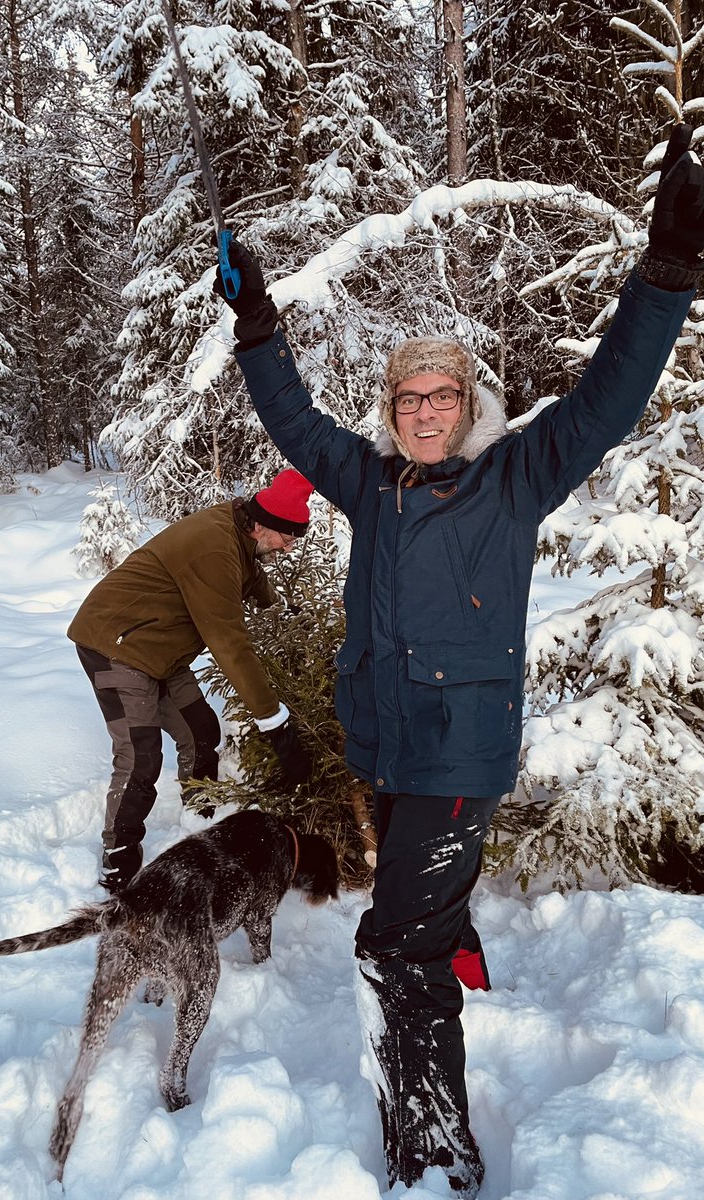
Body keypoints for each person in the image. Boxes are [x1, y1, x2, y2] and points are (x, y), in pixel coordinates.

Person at [214, 125, 704, 1197]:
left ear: (469, 404)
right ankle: (446, 970)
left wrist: (665, 274)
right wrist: (257, 324)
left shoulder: (517, 476)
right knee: (417, 926)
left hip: (459, 754)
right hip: (389, 746)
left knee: (393, 945)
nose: (426, 412)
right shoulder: (371, 483)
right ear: (392, 414)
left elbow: (610, 397)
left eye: (443, 397)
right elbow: (294, 421)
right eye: (408, 400)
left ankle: (437, 1150)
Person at [68, 469, 315, 892]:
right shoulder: (214, 546)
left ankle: (198, 820)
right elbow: (228, 642)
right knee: (140, 756)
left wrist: (285, 619)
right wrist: (273, 721)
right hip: (117, 645)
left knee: (201, 730)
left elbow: (253, 580)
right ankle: (118, 858)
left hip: (161, 650)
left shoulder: (240, 534)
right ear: (261, 525)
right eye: (287, 538)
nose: (289, 548)